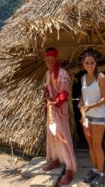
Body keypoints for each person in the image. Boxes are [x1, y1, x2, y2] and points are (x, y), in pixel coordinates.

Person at [42, 47, 77, 186]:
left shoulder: (63, 74)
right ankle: (56, 159)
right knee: (52, 136)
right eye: (47, 60)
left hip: (59, 109)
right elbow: (49, 88)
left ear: (56, 59)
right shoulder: (47, 73)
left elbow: (65, 92)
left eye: (51, 59)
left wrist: (55, 102)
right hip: (51, 108)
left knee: (63, 137)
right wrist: (46, 93)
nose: (49, 62)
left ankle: (70, 168)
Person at [78, 50, 105, 186]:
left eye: (92, 62)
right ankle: (95, 169)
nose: (89, 65)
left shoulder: (100, 77)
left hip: (99, 116)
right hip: (86, 117)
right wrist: (80, 102)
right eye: (87, 63)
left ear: (95, 63)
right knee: (90, 145)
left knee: (97, 145)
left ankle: (101, 174)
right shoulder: (83, 78)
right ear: (83, 64)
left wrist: (91, 106)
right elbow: (83, 95)